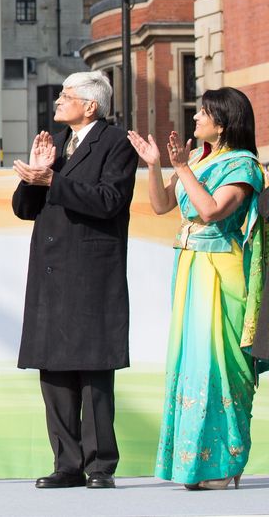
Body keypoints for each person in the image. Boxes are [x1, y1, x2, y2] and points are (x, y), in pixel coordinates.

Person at [128, 87, 266, 490]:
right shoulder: (204, 161)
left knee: (220, 367)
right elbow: (160, 205)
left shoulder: (243, 166)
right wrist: (155, 166)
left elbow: (211, 211)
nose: (195, 119)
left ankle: (224, 464)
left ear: (222, 123)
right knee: (191, 364)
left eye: (202, 113)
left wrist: (183, 168)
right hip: (189, 267)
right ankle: (196, 464)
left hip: (221, 271)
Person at [11, 71, 136, 490]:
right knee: (55, 371)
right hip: (50, 272)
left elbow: (108, 200)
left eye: (68, 95)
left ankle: (99, 465)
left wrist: (53, 180)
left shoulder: (115, 142)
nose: (59, 100)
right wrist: (35, 176)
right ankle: (66, 463)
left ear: (91, 105)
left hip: (91, 273)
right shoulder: (60, 146)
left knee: (94, 371)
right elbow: (27, 209)